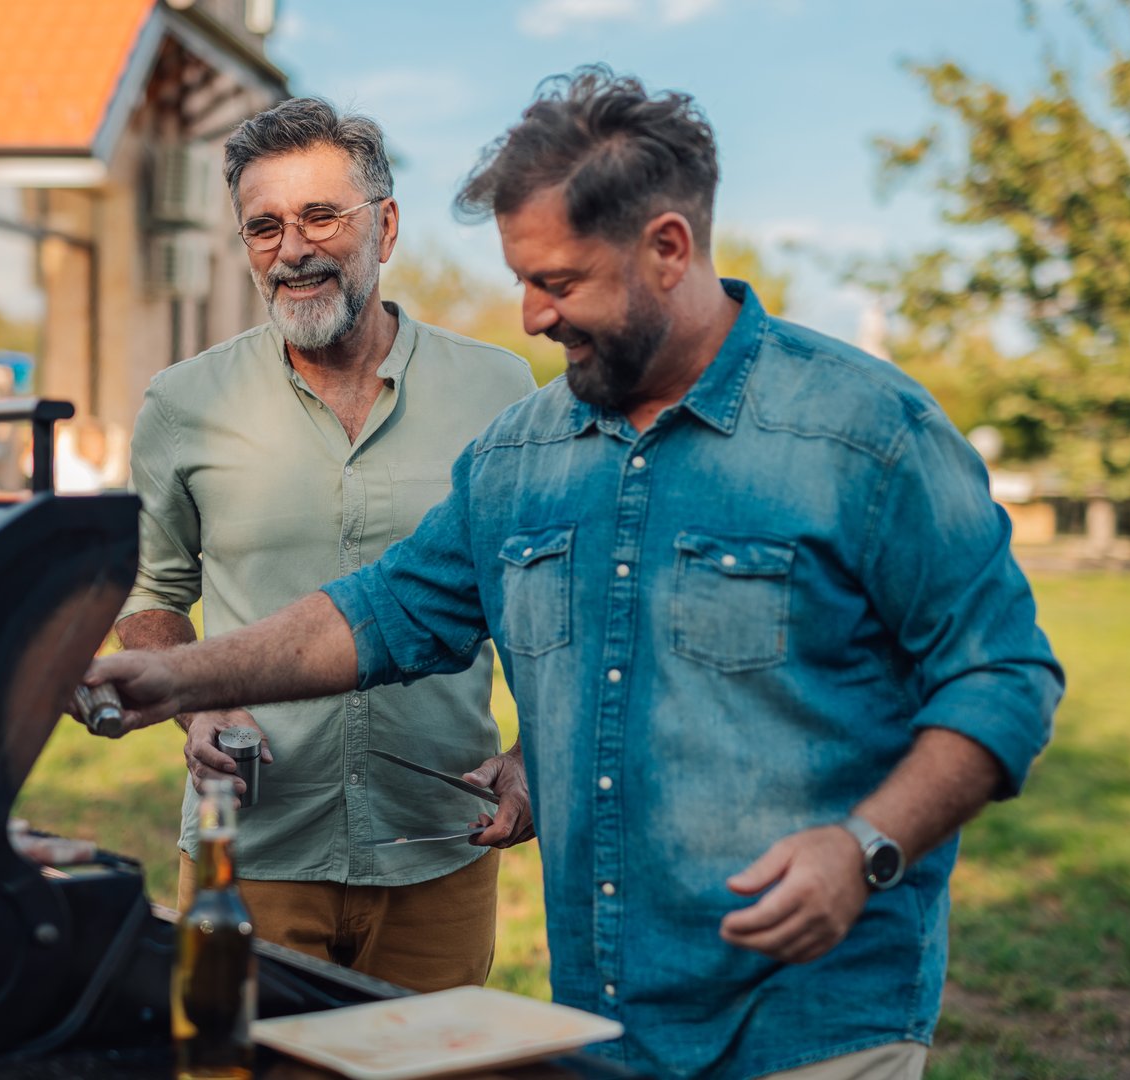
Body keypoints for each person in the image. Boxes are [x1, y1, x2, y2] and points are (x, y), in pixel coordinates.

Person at [88, 68, 1063, 1080]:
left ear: (667, 250)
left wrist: (865, 846)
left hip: (816, 1022)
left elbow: (1002, 677)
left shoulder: (863, 434)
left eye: (557, 283)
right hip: (605, 1018)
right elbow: (383, 613)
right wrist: (179, 679)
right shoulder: (521, 451)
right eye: (519, 279)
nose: (528, 317)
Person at [107, 97, 539, 994]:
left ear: (383, 226)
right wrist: (196, 710)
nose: (292, 249)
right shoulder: (183, 402)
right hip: (252, 845)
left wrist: (536, 750)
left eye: (319, 217)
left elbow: (537, 595)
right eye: (263, 227)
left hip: (438, 843)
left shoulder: (499, 388)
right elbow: (150, 595)